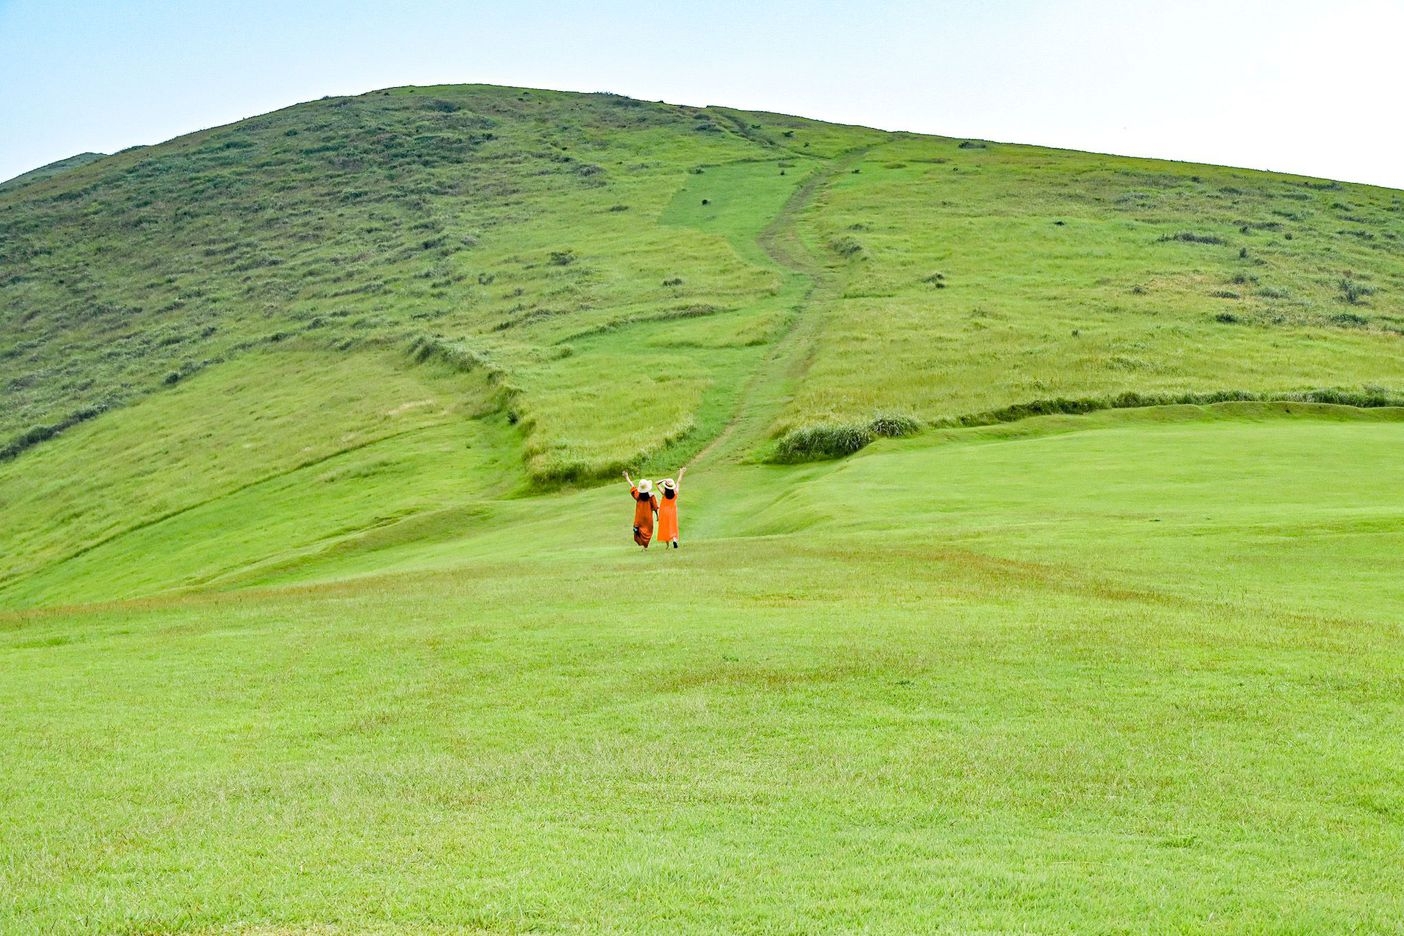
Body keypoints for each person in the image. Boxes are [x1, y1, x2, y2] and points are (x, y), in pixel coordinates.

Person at [623, 471, 659, 548]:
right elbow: (655, 507)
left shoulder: (638, 496)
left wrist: (627, 477)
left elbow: (632, 486)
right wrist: (657, 516)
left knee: (638, 530)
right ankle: (645, 545)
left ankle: (641, 541)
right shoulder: (651, 496)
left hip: (639, 518)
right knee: (648, 531)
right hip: (648, 517)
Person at [656, 467, 687, 549]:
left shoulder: (664, 493)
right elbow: (679, 482)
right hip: (672, 511)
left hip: (664, 511)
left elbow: (656, 483)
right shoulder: (675, 492)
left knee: (665, 527)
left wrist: (664, 480)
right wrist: (681, 473)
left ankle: (667, 545)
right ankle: (674, 539)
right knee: (673, 525)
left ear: (666, 487)